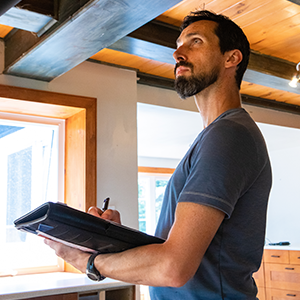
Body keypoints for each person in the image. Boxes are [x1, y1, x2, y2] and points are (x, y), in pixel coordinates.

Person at [45, 10, 272, 299]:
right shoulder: (217, 136)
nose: (178, 52)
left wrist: (89, 262)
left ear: (231, 58)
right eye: (179, 44)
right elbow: (172, 251)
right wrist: (113, 241)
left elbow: (173, 268)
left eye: (195, 41)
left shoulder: (229, 136)